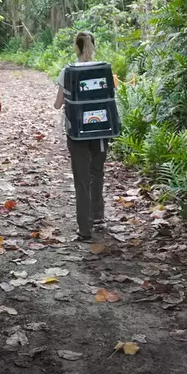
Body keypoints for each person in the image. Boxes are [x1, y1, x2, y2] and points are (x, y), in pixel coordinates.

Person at [54, 32, 106, 241]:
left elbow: (58, 104)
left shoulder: (67, 72)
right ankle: (99, 217)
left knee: (81, 180)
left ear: (76, 47)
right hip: (101, 131)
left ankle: (85, 228)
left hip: (77, 132)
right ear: (93, 46)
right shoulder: (103, 69)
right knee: (97, 173)